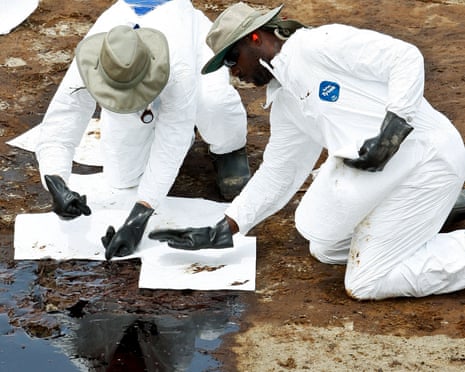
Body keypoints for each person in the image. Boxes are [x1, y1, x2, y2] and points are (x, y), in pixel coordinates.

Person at [149, 2, 465, 300]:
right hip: (391, 177)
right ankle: (424, 216)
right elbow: (278, 174)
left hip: (429, 160)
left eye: (232, 59)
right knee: (326, 246)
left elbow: (405, 57)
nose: (234, 73)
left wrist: (394, 128)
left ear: (255, 38)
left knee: (365, 281)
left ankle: (436, 217)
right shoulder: (286, 101)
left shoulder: (319, 44)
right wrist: (226, 227)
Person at [35, 0, 251, 260]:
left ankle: (229, 149)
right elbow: (62, 118)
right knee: (123, 178)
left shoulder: (179, 63)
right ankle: (144, 115)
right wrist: (56, 180)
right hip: (140, 82)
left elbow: (175, 134)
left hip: (195, 57)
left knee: (211, 103)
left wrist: (140, 216)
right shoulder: (94, 55)